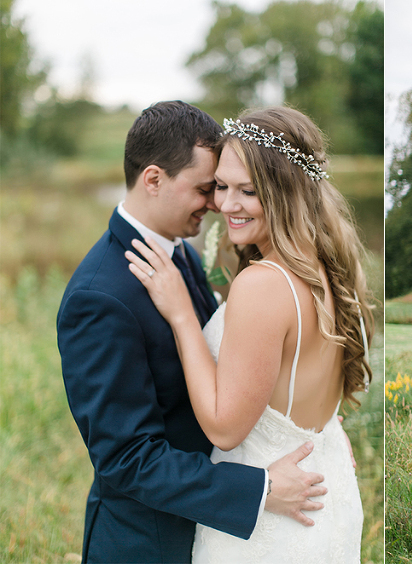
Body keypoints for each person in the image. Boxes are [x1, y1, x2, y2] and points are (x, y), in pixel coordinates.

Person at [57, 101, 326, 564]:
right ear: (154, 179)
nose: (218, 204)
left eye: (221, 187)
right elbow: (127, 458)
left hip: (211, 532)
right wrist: (259, 489)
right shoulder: (99, 297)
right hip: (149, 543)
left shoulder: (177, 252)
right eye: (206, 188)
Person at [126, 106, 373, 563]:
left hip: (266, 524)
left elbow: (225, 427)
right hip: (324, 494)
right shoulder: (329, 269)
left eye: (248, 191)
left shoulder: (264, 284)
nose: (225, 204)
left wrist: (182, 316)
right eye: (221, 186)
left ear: (286, 195)